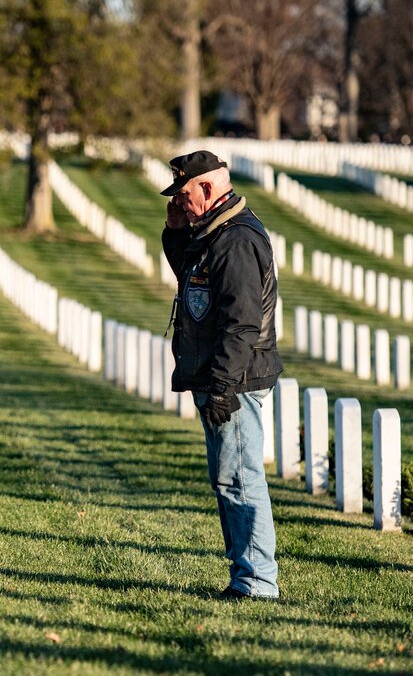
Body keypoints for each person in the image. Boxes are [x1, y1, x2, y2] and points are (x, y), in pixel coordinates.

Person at [161, 150, 284, 600]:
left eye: (184, 193)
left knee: (240, 477)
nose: (178, 201)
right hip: (222, 376)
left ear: (208, 188)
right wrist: (175, 232)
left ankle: (257, 582)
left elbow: (242, 324)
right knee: (228, 477)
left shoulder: (236, 241)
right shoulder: (214, 233)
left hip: (235, 380)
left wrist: (222, 388)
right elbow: (192, 280)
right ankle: (245, 575)